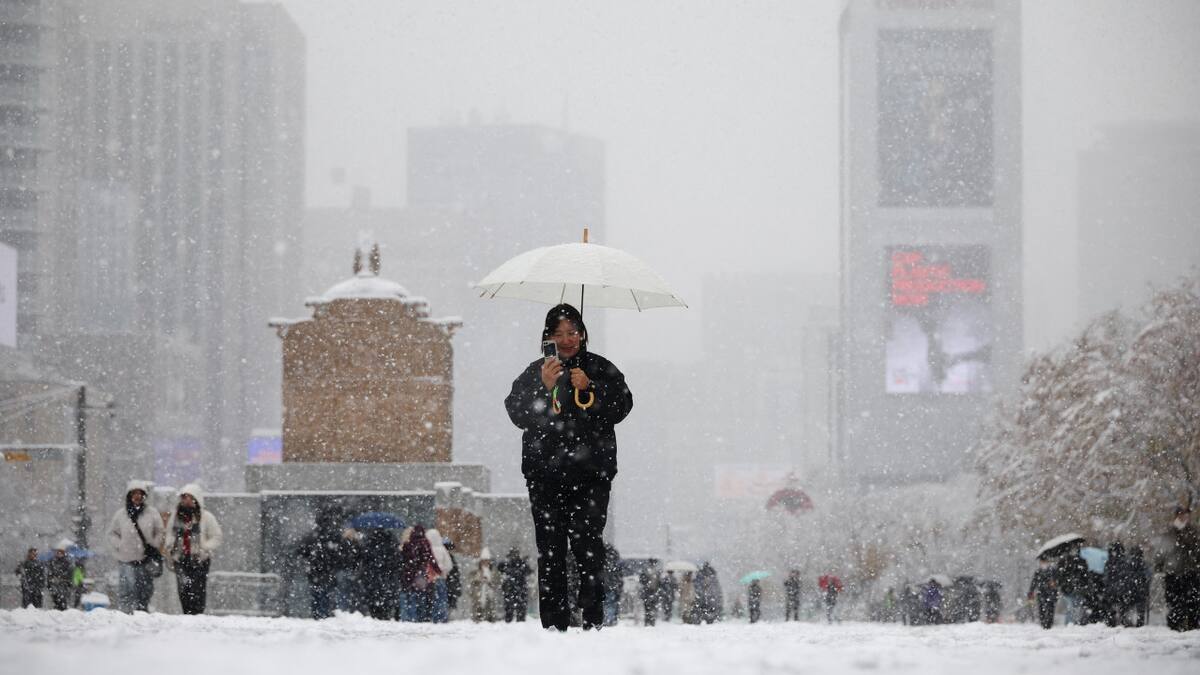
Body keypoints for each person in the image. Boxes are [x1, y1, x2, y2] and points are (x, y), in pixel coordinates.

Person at [505, 303, 633, 632]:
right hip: (545, 476)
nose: (567, 340)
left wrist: (590, 388)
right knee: (551, 551)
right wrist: (543, 389)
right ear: (547, 338)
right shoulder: (537, 372)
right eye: (558, 334)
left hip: (591, 476)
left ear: (583, 334)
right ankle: (554, 624)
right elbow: (517, 413)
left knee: (588, 546)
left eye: (573, 332)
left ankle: (592, 619)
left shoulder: (599, 369)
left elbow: (622, 406)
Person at [163, 484, 223, 615]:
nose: (186, 500)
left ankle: (197, 614)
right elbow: (169, 533)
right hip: (180, 558)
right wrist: (170, 544)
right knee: (183, 589)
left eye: (190, 497)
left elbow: (217, 536)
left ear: (197, 499)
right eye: (184, 497)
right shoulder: (176, 516)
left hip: (200, 559)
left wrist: (205, 547)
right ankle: (187, 614)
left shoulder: (206, 517)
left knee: (198, 589)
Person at [105, 479, 164, 613]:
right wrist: (119, 545)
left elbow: (160, 530)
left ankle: (141, 614)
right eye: (134, 493)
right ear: (129, 496)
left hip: (145, 558)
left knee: (144, 590)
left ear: (144, 496)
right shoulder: (121, 514)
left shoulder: (152, 513)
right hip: (126, 559)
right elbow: (111, 533)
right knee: (126, 589)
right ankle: (125, 615)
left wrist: (153, 544)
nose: (137, 496)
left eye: (140, 493)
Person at [297, 508, 353, 619]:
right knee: (326, 596)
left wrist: (309, 562)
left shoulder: (313, 536)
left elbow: (302, 551)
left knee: (317, 596)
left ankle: (318, 615)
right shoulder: (333, 536)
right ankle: (324, 615)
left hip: (315, 572)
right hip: (328, 572)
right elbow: (340, 555)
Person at [1158, 505, 1200, 631]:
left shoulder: (1194, 532)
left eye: (1186, 514)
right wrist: (1159, 568)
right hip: (1173, 574)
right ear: (1177, 516)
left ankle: (1192, 629)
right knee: (1175, 604)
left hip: (1191, 573)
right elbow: (1161, 552)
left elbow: (1197, 551)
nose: (1184, 517)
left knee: (1193, 604)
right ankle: (1175, 629)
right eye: (1181, 514)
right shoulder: (1170, 533)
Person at [399, 524, 440, 622]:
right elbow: (430, 557)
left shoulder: (408, 544)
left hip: (409, 573)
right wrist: (438, 570)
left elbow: (403, 559)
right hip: (421, 573)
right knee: (422, 595)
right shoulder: (425, 543)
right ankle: (421, 616)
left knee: (410, 595)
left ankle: (409, 616)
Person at [426, 528, 454, 623]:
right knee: (442, 598)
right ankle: (442, 617)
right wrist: (443, 571)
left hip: (429, 578)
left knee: (432, 599)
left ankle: (433, 617)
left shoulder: (427, 549)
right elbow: (449, 565)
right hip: (441, 578)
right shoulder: (442, 549)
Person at [497, 547, 532, 622]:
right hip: (510, 590)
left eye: (515, 554)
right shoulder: (507, 564)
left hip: (520, 590)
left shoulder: (521, 564)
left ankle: (518, 623)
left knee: (520, 612)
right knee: (509, 611)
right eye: (513, 555)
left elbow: (528, 571)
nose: (514, 556)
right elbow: (499, 568)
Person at [468, 548, 498, 622]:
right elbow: (471, 581)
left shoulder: (493, 571)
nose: (485, 563)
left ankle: (489, 618)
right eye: (484, 561)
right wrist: (479, 580)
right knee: (478, 606)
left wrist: (489, 582)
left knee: (489, 605)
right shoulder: (475, 571)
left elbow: (496, 582)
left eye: (487, 561)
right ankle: (478, 618)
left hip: (489, 592)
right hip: (479, 592)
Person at [46, 540, 75, 611]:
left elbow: (70, 573)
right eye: (58, 552)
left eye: (61, 552)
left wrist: (67, 581)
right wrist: (49, 581)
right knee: (55, 598)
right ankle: (57, 610)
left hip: (63, 584)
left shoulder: (67, 562)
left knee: (63, 599)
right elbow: (49, 572)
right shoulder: (52, 561)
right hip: (54, 583)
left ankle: (62, 611)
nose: (59, 553)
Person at [1028, 559, 1058, 629]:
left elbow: (1057, 581)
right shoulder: (1038, 572)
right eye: (1042, 562)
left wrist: (1054, 583)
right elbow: (1034, 582)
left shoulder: (1052, 571)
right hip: (1041, 592)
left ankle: (1049, 624)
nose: (1043, 564)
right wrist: (1031, 591)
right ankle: (1043, 623)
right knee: (1041, 608)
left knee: (1050, 608)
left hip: (1051, 593)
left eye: (1045, 562)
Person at [443, 538, 463, 618]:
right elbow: (455, 574)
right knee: (450, 603)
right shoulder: (449, 558)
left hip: (450, 585)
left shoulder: (450, 558)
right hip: (450, 585)